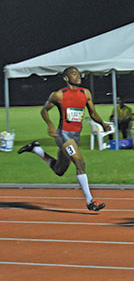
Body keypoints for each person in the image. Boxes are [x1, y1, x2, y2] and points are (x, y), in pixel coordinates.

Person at [17, 66, 108, 211]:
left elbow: (92, 112)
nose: (78, 76)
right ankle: (90, 201)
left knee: (59, 170)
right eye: (74, 74)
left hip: (75, 136)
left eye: (79, 74)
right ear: (66, 78)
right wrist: (50, 126)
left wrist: (103, 124)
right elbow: (44, 110)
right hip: (63, 135)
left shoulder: (86, 93)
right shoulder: (59, 95)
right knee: (80, 162)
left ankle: (36, 149)